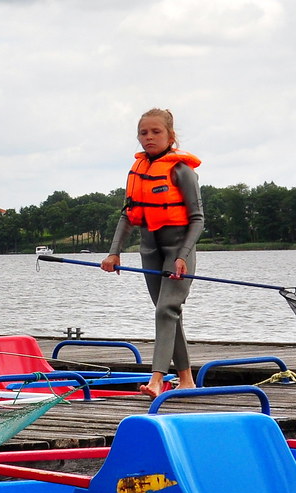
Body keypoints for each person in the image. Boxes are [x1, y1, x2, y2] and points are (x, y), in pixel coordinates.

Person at [101, 108, 203, 398]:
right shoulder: (138, 171)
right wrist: (114, 253)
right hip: (150, 251)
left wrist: (183, 255)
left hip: (179, 251)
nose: (148, 137)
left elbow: (198, 218)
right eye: (143, 133)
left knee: (165, 309)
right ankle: (187, 380)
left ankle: (156, 380)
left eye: (156, 132)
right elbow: (127, 215)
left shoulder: (182, 171)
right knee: (170, 314)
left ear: (170, 135)